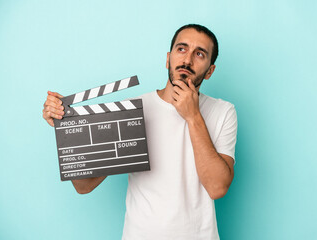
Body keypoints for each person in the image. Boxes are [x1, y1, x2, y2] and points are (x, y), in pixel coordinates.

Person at [43, 24, 237, 240]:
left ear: (210, 71)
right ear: (168, 58)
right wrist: (67, 129)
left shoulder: (223, 112)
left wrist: (193, 116)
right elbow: (84, 185)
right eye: (181, 49)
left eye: (199, 54)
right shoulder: (133, 109)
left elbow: (217, 187)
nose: (187, 60)